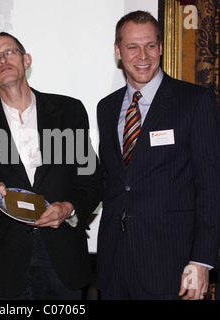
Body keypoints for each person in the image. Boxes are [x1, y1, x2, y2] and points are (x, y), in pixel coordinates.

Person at [0, 32, 102, 300]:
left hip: (63, 259)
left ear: (26, 60)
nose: (2, 59)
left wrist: (68, 208)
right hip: (6, 264)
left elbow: (90, 180)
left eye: (10, 52)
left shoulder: (68, 112)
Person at [96, 10, 220, 300]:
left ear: (161, 48)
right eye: (132, 47)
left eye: (150, 46)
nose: (142, 55)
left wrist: (201, 260)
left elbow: (211, 186)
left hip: (171, 265)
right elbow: (112, 180)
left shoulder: (193, 101)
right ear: (118, 51)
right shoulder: (107, 107)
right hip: (114, 263)